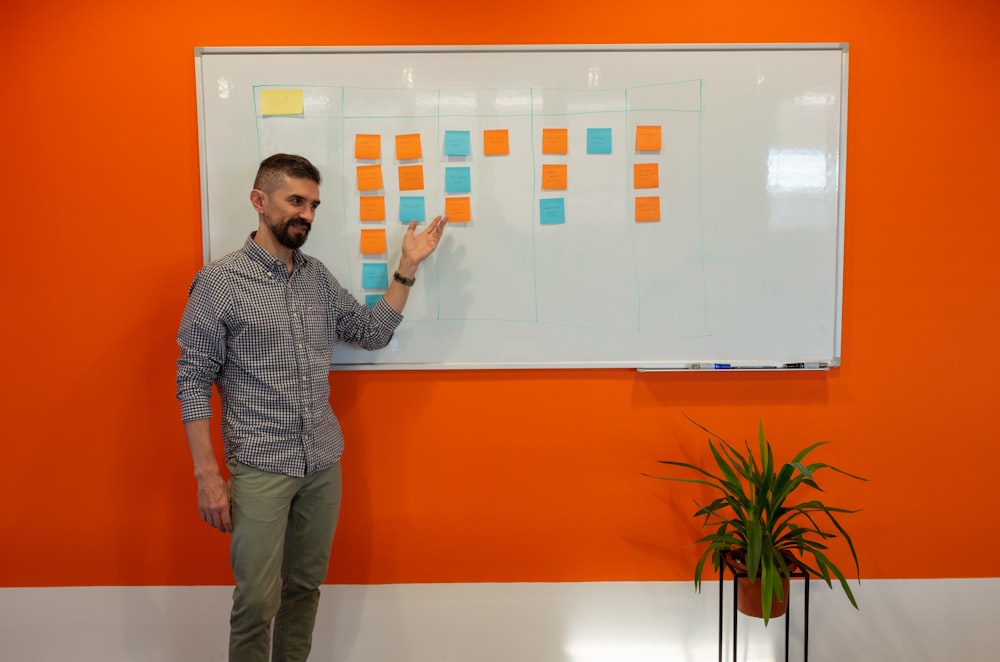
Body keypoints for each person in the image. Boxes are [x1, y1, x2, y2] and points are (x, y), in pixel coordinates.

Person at [176, 153, 447, 662]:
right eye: (295, 201)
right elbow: (192, 378)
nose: (307, 214)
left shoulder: (317, 278)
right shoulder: (219, 283)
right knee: (257, 601)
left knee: (304, 590)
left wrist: (407, 267)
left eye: (314, 205)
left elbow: (370, 334)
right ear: (260, 201)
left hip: (322, 463)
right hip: (261, 467)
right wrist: (207, 474)